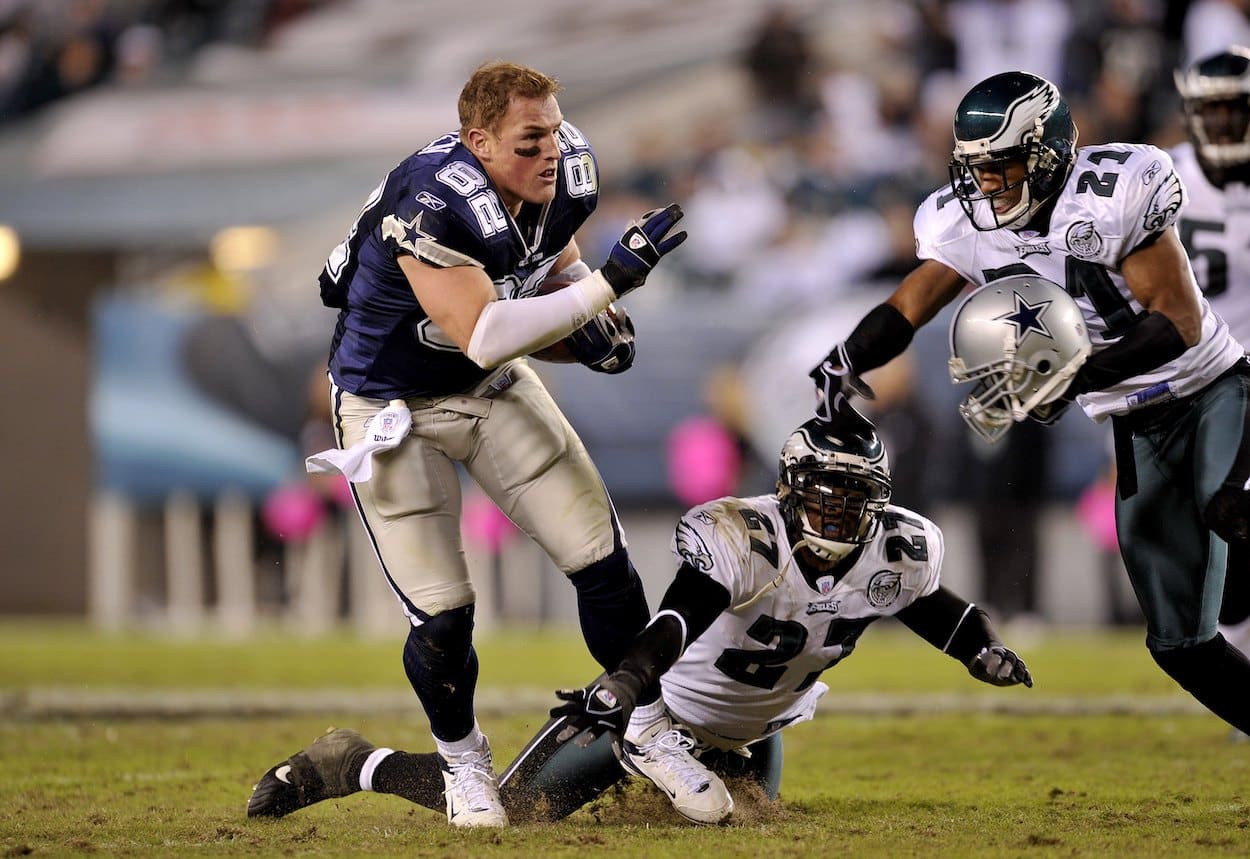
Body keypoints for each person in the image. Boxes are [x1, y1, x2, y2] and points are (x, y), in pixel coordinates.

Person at [246, 60, 688, 829]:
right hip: (394, 405)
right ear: (477, 142)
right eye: (529, 140)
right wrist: (611, 281)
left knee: (600, 556)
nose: (551, 150)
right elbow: (483, 332)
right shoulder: (435, 203)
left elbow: (540, 278)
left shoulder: (565, 172)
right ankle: (463, 763)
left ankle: (646, 726)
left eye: (554, 129)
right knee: (445, 615)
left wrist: (587, 324)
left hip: (485, 385)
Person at [245, 400, 1033, 825]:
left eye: (851, 498)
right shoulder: (745, 535)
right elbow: (677, 619)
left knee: (747, 824)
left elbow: (937, 611)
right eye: (821, 494)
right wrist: (626, 683)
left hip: (752, 730)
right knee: (514, 812)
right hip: (659, 707)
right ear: (790, 491)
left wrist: (982, 648)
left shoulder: (897, 551)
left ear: (878, 501)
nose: (833, 513)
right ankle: (353, 762)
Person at [809, 70, 1250, 737]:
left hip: (1214, 391)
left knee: (1239, 514)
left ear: (1046, 152)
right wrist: (848, 357)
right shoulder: (967, 223)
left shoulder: (1111, 194)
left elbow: (1179, 322)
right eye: (976, 169)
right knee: (1181, 643)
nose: (986, 184)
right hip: (1136, 425)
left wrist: (1073, 376)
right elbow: (909, 304)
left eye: (1002, 165)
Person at [1172, 46, 1250, 695]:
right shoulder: (1158, 176)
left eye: (1236, 107)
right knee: (1212, 541)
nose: (1223, 122)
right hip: (1185, 382)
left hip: (1244, 379)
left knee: (1233, 515)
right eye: (1212, 108)